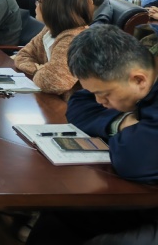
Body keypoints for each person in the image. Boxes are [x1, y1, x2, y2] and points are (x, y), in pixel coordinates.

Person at [27, 25, 158, 244]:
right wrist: (122, 122)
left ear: (139, 80)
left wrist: (129, 134)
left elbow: (134, 159)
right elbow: (78, 105)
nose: (99, 102)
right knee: (61, 212)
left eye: (104, 95)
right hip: (136, 195)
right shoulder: (127, 70)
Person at [14, 0, 90, 98]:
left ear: (53, 8)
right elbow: (22, 56)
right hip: (52, 98)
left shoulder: (73, 39)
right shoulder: (49, 29)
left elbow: (52, 82)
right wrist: (40, 69)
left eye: (38, 1)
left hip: (72, 104)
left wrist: (41, 70)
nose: (36, 5)